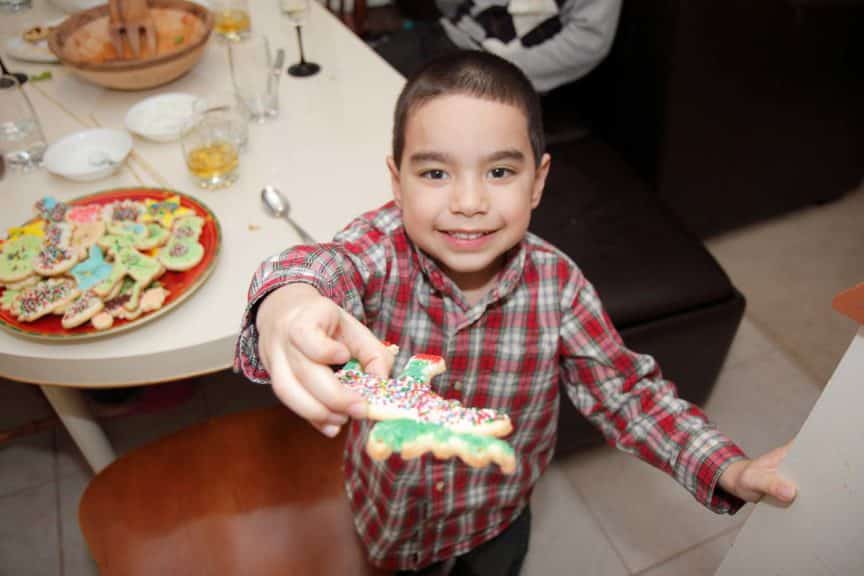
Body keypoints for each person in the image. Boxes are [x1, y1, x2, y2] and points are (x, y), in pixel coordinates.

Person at [234, 51, 797, 575]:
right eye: (435, 173)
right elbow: (326, 266)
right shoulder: (379, 252)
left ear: (538, 182)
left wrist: (726, 468)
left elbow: (629, 396)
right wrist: (289, 301)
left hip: (498, 514)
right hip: (391, 513)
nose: (469, 201)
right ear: (396, 181)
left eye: (499, 172)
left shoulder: (561, 287)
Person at [374, 0, 623, 140]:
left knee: (418, 133)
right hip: (447, 34)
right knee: (363, 79)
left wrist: (506, 69)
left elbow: (588, 42)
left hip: (508, 67)